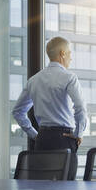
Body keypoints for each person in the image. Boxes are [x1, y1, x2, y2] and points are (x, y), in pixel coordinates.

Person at [12, 36, 87, 180]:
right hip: (64, 140)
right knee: (67, 189)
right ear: (62, 53)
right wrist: (79, 134)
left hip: (42, 141)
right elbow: (80, 108)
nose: (71, 58)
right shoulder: (69, 77)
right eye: (70, 53)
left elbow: (18, 112)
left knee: (41, 187)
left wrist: (35, 134)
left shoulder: (33, 80)